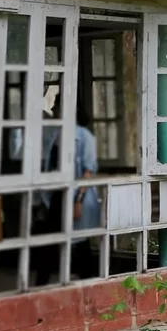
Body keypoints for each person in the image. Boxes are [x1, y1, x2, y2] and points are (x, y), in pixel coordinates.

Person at [71, 106, 100, 278]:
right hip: (62, 195)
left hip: (80, 195)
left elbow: (87, 171)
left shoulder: (84, 136)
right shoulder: (58, 134)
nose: (53, 109)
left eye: (57, 105)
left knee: (81, 241)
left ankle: (86, 279)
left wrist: (78, 200)